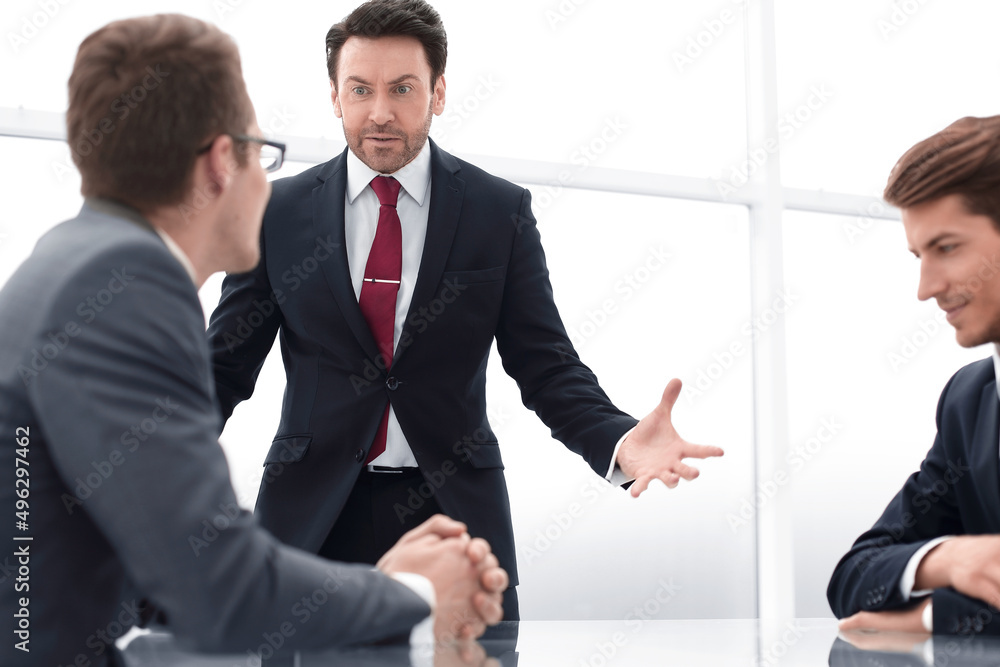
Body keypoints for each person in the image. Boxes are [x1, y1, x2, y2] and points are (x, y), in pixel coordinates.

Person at [0, 14, 507, 667]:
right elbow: (219, 592)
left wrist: (371, 585)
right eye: (261, 153)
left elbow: (155, 566)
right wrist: (410, 591)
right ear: (220, 162)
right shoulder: (128, 290)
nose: (268, 182)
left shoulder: (71, 260)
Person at [207, 0, 723, 619]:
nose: (380, 112)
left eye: (403, 89)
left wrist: (618, 441)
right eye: (361, 89)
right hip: (310, 518)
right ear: (335, 97)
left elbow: (546, 365)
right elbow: (224, 366)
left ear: (438, 92)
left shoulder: (496, 210)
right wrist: (135, 458)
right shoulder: (276, 211)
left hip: (456, 518)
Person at [828, 115, 1000, 636]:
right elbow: (854, 575)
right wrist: (948, 559)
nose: (926, 288)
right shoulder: (970, 400)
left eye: (947, 247)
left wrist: (931, 616)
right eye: (918, 255)